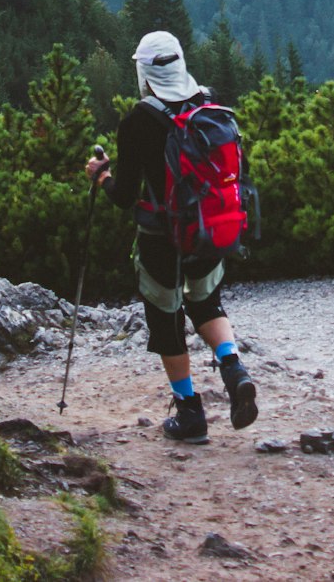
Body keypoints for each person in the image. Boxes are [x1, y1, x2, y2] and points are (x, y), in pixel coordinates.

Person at [86, 29, 258, 444]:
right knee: (206, 301)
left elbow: (125, 196)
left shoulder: (138, 120)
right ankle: (233, 368)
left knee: (166, 320)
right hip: (209, 226)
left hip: (161, 236)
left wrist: (101, 176)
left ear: (143, 72)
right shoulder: (209, 103)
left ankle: (190, 413)